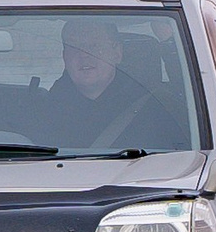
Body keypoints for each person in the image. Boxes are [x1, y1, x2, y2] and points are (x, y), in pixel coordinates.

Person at [45, 18, 187, 151]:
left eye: (94, 45)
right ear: (64, 56)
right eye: (74, 47)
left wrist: (169, 42)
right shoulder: (43, 112)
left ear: (117, 53)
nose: (84, 54)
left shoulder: (157, 108)